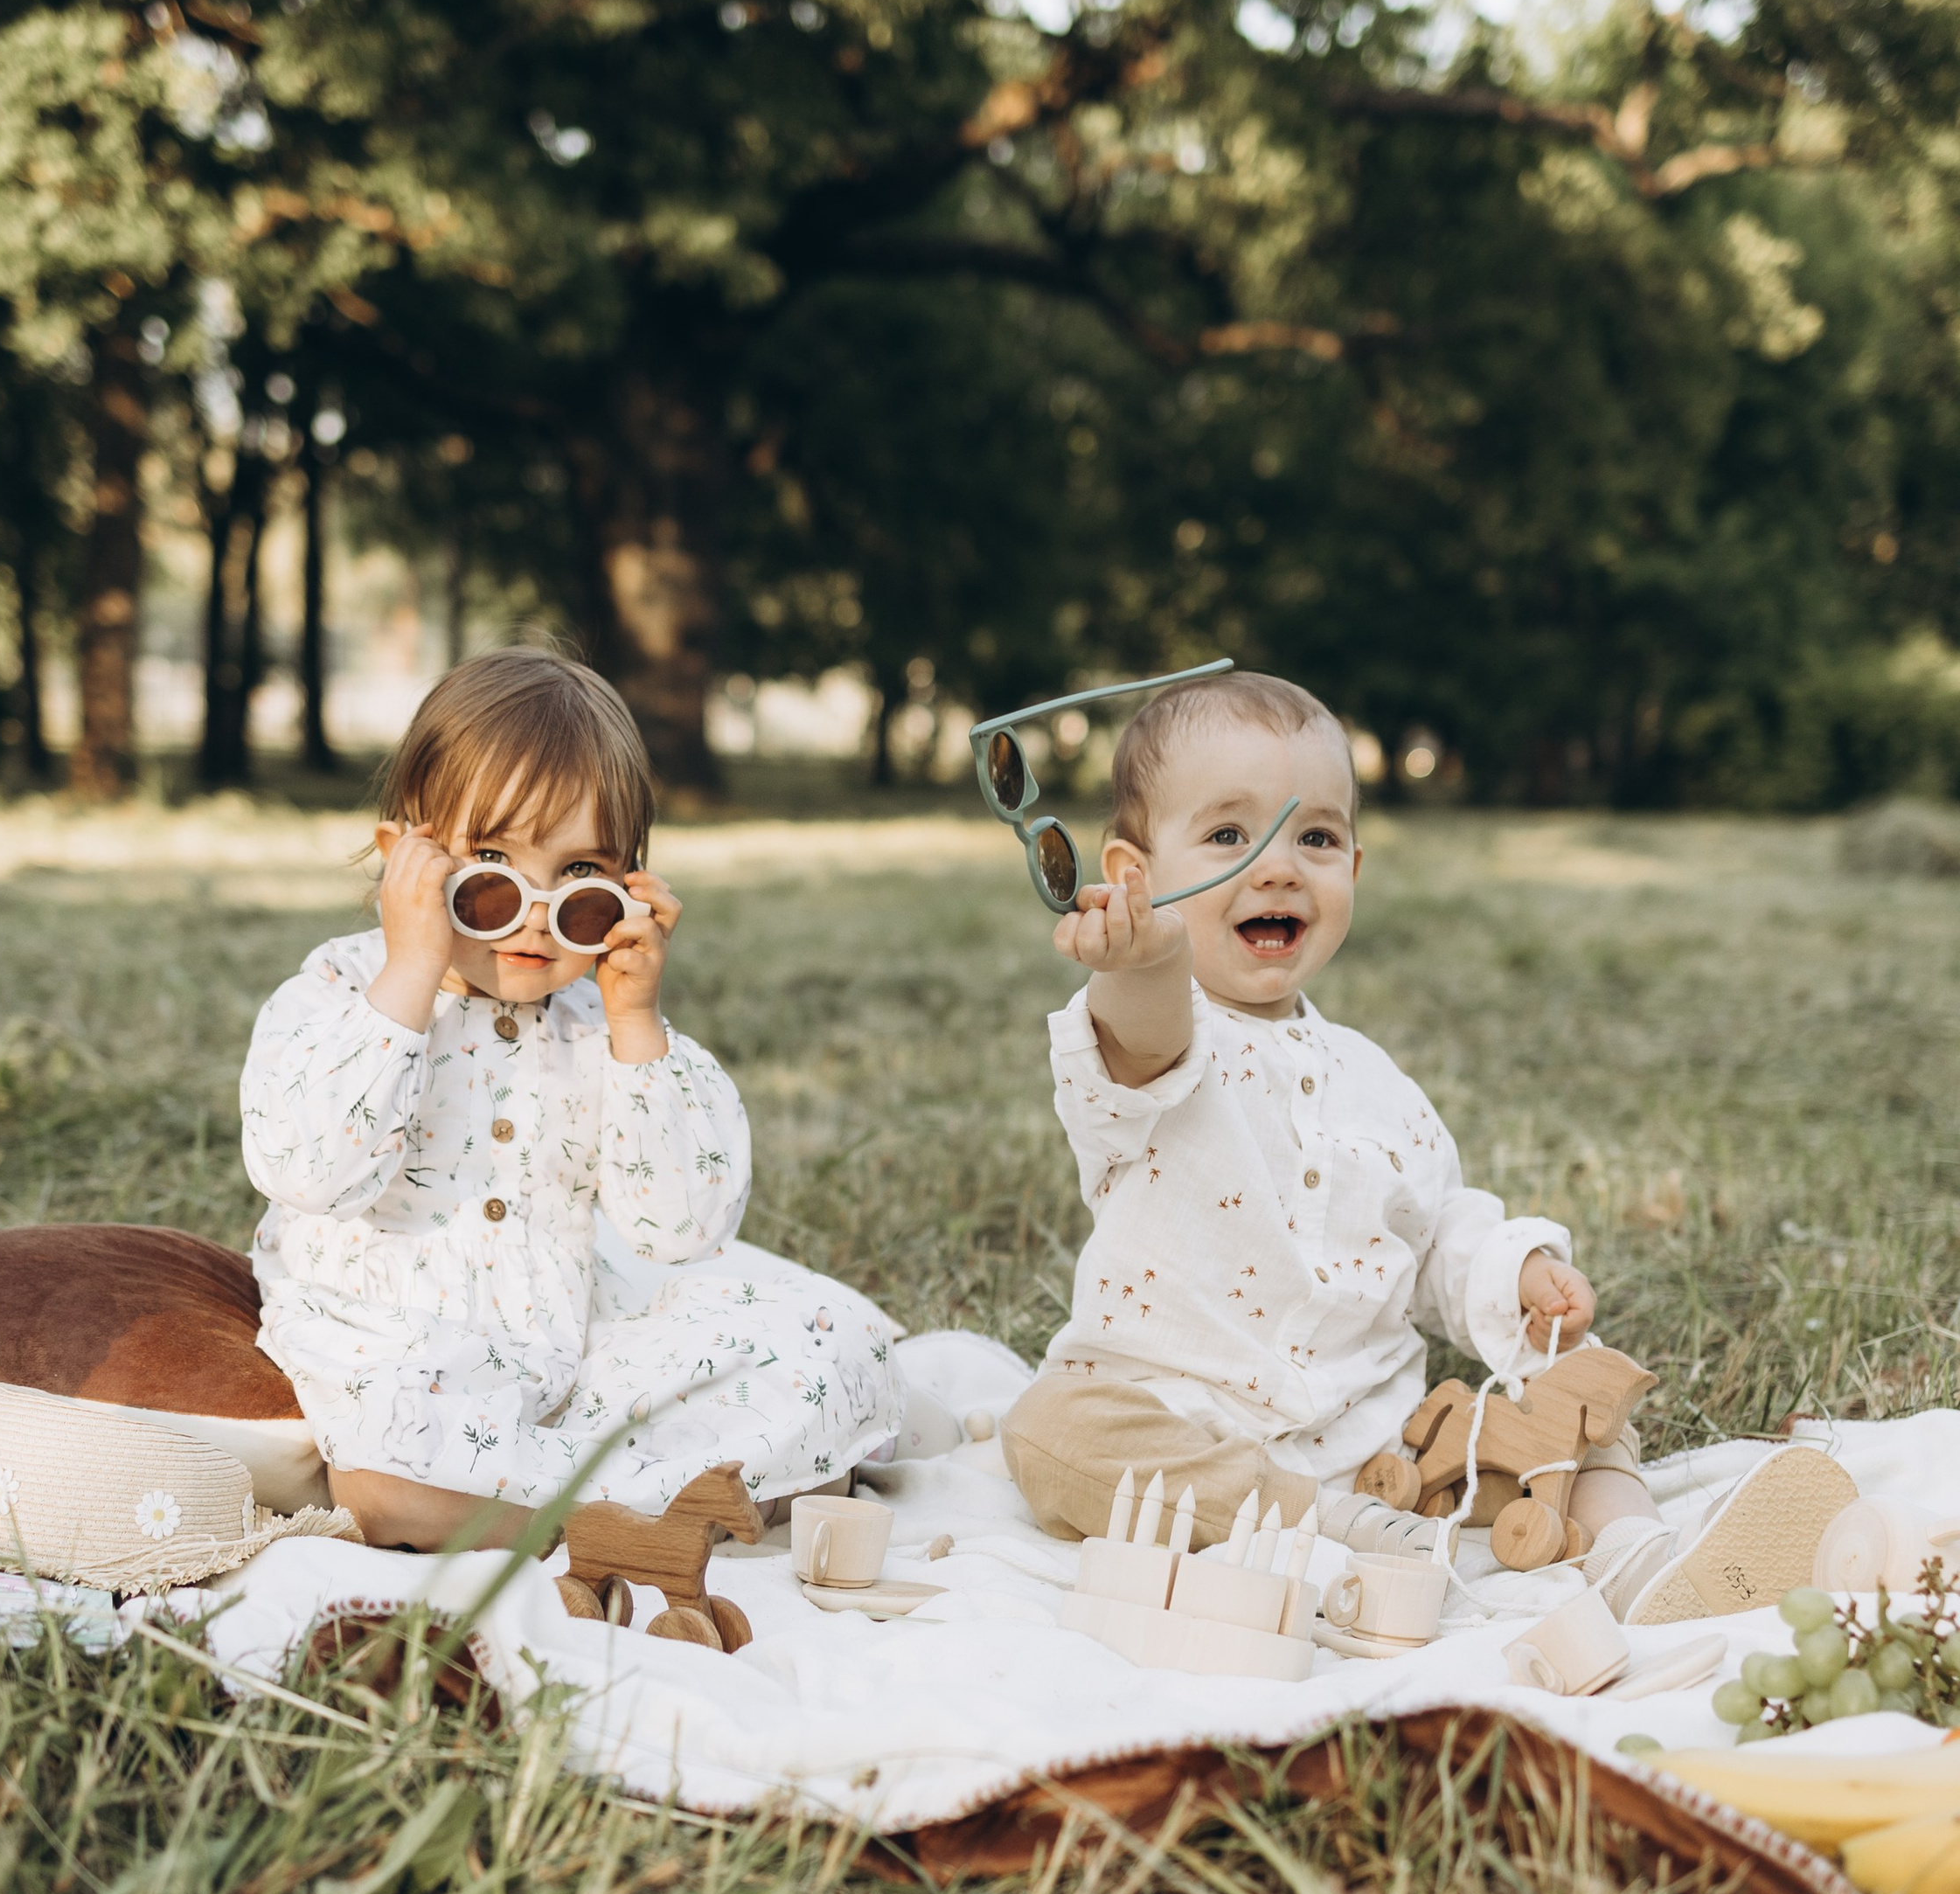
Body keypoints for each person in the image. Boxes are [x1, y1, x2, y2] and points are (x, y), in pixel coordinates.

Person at [241, 647, 899, 1550]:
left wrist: (637, 1025)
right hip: (394, 1347)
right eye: (490, 869)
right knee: (391, 1467)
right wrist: (410, 969)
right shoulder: (339, 993)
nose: (534, 914)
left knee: (830, 1348)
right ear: (407, 860)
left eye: (580, 879)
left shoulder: (601, 1025)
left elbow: (682, 1231)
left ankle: (593, 1504)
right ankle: (649, 1511)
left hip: (573, 1347)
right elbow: (307, 1170)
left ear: (630, 885)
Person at [1000, 669, 1658, 1556]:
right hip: (1182, 1423)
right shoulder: (1158, 1034)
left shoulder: (1377, 1082)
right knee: (1051, 1430)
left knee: (1575, 1375)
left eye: (1313, 836)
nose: (1276, 865)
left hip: (1376, 1451)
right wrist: (1141, 957)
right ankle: (1319, 1527)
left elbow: (1435, 1238)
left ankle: (1635, 1545)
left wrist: (1518, 1275)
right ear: (1135, 876)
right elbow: (1143, 1035)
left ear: (1350, 868)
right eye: (1228, 834)